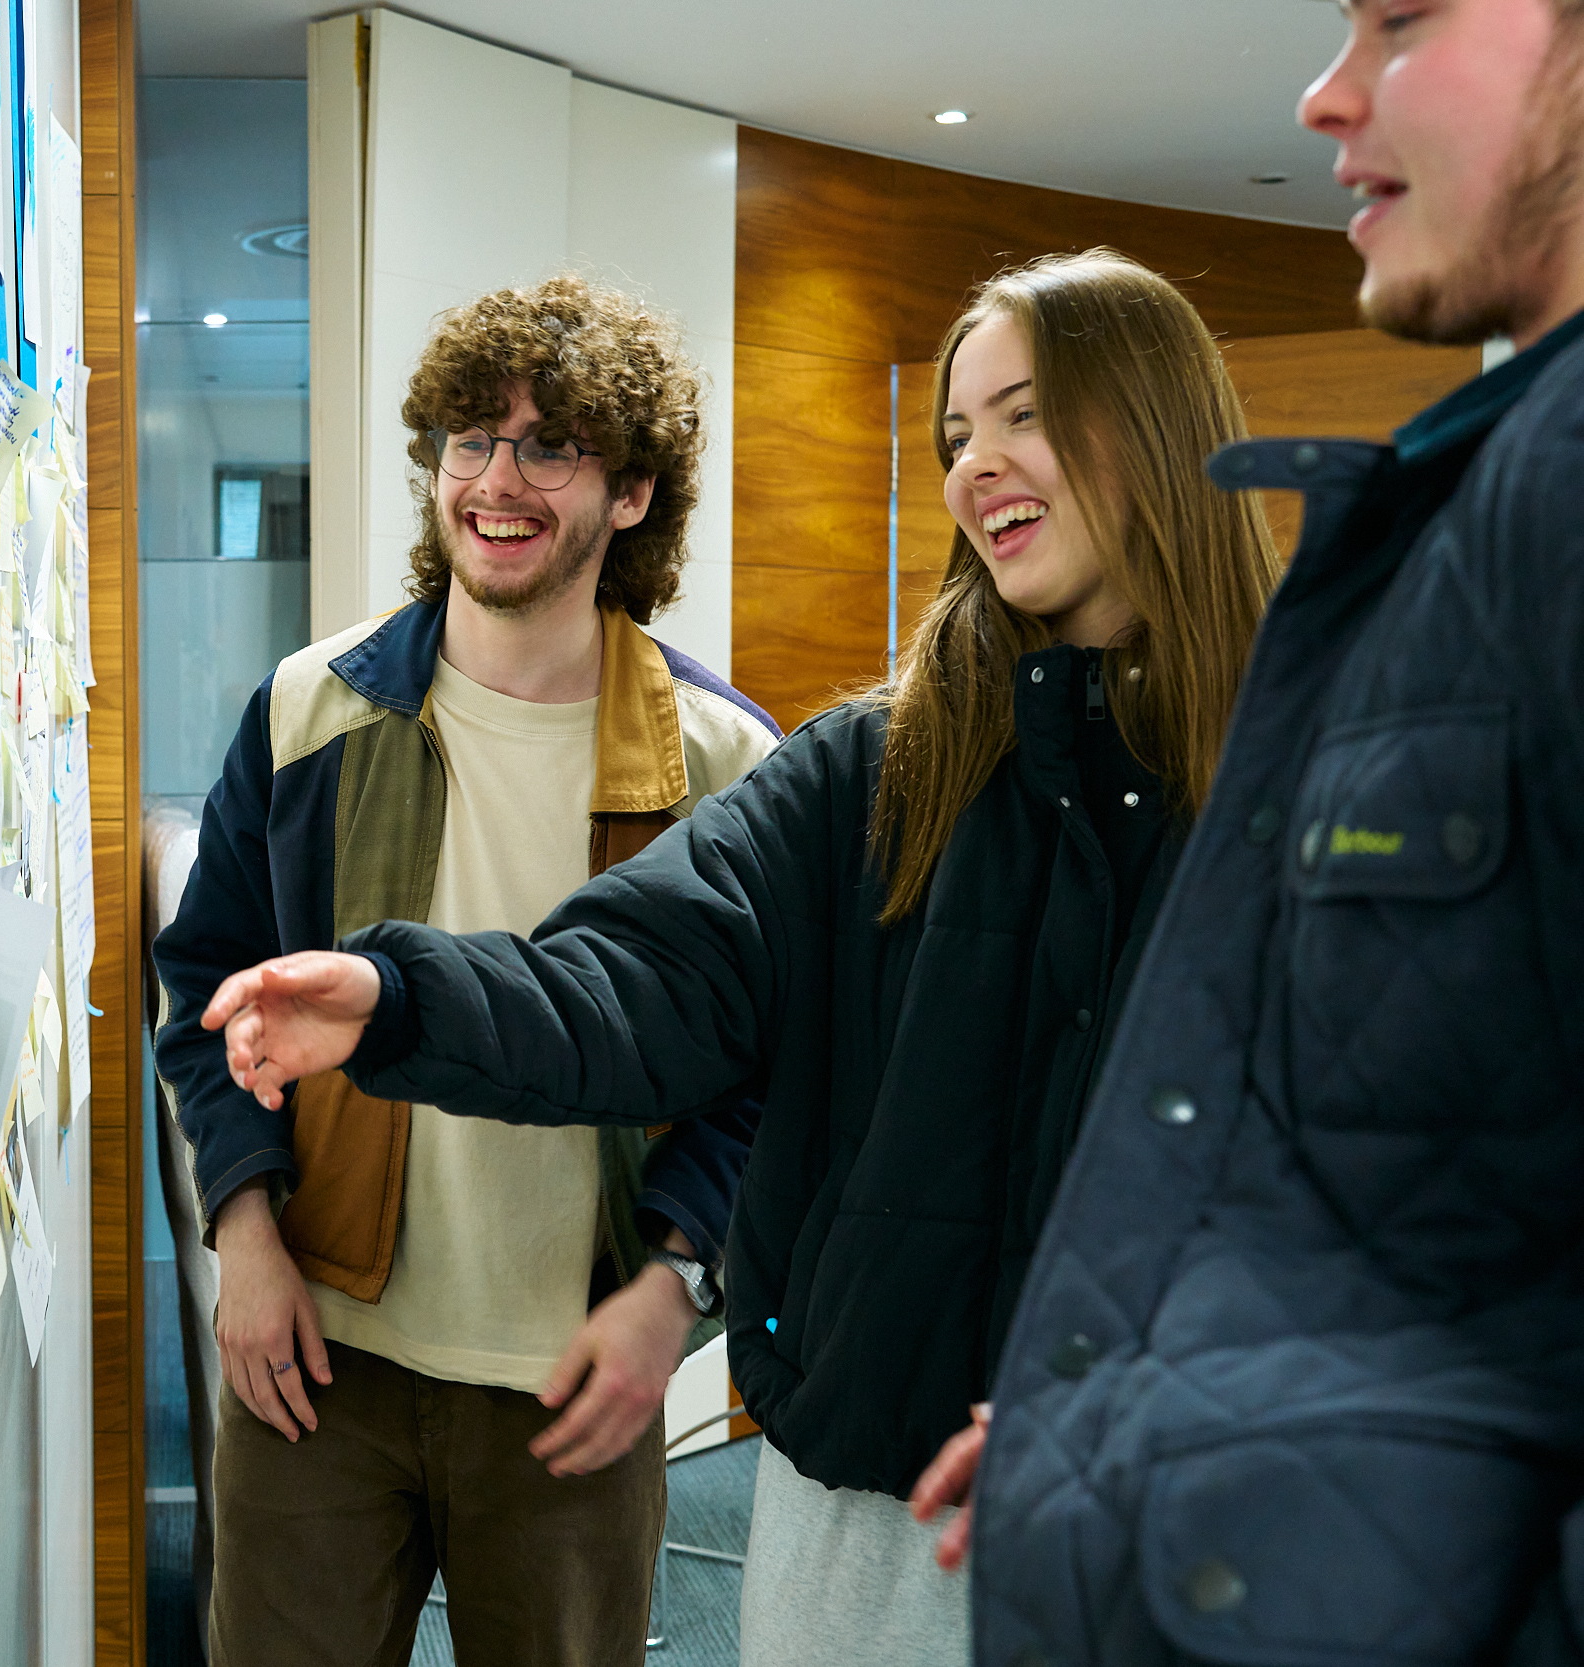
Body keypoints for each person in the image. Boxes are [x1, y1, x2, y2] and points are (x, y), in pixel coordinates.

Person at [198, 249, 1282, 1665]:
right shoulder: (873, 771)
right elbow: (641, 980)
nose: (978, 464)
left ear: (1156, 420)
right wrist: (402, 995)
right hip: (871, 1514)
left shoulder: (1311, 786)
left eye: (1024, 415)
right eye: (958, 435)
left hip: (1192, 1504)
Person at [910, 2, 1584, 1662]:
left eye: (1405, 19)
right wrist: (1157, 1429)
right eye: (951, 437)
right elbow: (1427, 1206)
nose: (1324, 90)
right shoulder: (1477, 517)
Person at [150, 274, 781, 1667]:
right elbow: (206, 999)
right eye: (469, 441)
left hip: (570, 1377)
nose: (497, 481)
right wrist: (242, 1237)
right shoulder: (312, 711)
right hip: (320, 1350)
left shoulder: (728, 763)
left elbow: (774, 1070)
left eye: (551, 445)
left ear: (631, 494)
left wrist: (676, 1281)